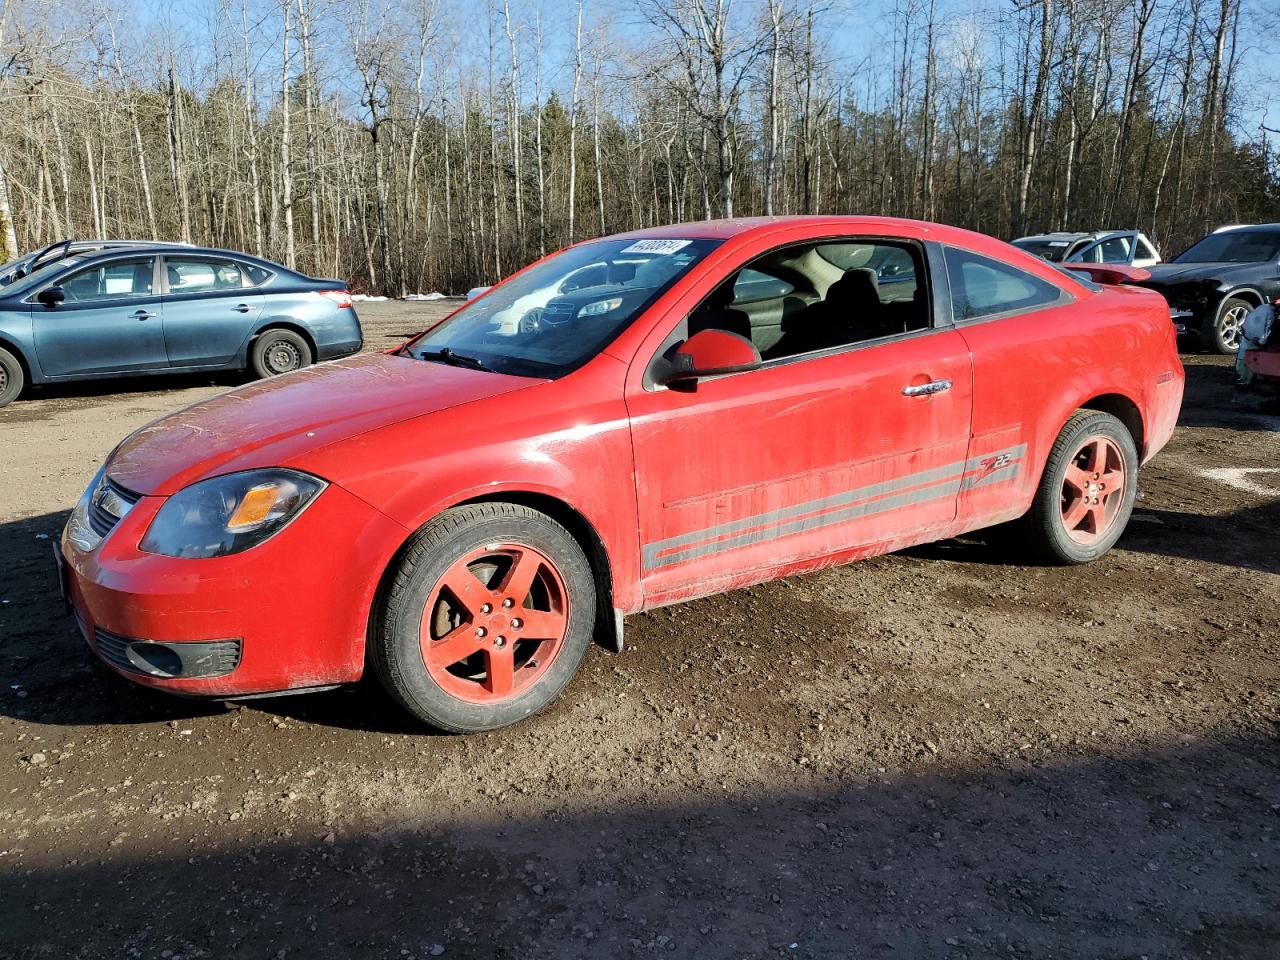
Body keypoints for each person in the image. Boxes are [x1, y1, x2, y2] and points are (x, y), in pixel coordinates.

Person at [1236, 300, 1277, 386]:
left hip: (1249, 339)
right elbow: (1266, 331)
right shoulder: (1269, 313)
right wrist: (1260, 342)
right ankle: (1248, 378)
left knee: (1245, 357)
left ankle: (1245, 377)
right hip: (1254, 343)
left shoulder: (1263, 308)